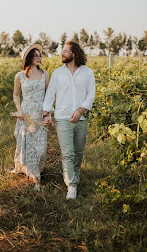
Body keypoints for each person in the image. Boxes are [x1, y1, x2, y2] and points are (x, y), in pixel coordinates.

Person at [43, 40, 95, 200]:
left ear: (74, 53)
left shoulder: (87, 72)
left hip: (81, 118)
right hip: (63, 118)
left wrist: (80, 111)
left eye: (65, 51)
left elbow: (91, 94)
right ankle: (71, 186)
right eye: (62, 51)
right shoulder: (58, 73)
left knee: (79, 152)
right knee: (67, 154)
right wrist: (46, 114)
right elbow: (50, 94)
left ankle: (75, 174)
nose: (62, 53)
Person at [12, 43, 49, 191]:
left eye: (40, 55)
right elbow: (15, 96)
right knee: (27, 145)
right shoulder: (19, 76)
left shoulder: (45, 74)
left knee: (40, 147)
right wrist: (19, 110)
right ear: (28, 58)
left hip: (39, 114)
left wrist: (47, 114)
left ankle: (34, 169)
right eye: (36, 55)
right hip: (26, 114)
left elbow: (48, 95)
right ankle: (34, 177)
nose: (39, 58)